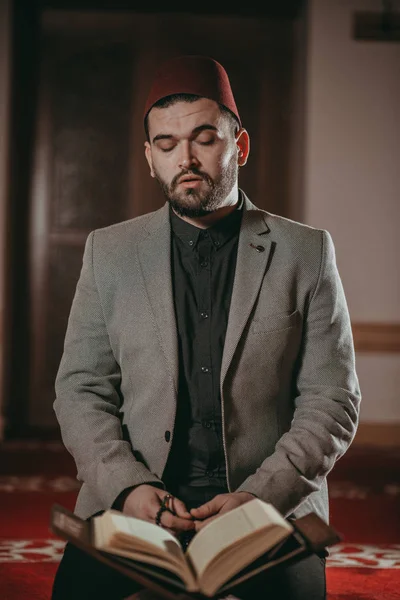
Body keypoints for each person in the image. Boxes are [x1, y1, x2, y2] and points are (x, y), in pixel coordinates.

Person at [51, 55, 361, 600]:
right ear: (149, 158)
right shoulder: (110, 252)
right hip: (140, 505)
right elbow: (80, 389)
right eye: (166, 145)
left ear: (238, 146)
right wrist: (129, 488)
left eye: (203, 139)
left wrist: (260, 497)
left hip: (266, 505)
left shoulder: (306, 252)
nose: (186, 158)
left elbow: (332, 401)